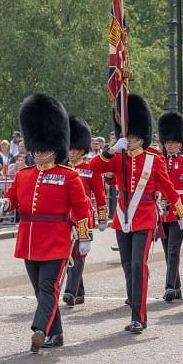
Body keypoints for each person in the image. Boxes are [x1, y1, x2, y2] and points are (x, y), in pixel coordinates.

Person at [0, 94, 92, 352]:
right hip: (29, 240)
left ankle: (40, 330)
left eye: (44, 149)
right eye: (36, 149)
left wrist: (84, 237)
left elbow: (82, 208)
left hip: (58, 240)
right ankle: (56, 334)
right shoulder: (24, 175)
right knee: (41, 292)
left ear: (55, 147)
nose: (39, 154)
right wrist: (4, 204)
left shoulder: (68, 176)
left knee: (47, 288)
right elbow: (11, 199)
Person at [90, 93, 183, 333]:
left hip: (143, 215)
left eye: (133, 136)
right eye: (128, 136)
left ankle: (139, 316)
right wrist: (111, 151)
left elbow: (167, 186)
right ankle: (134, 301)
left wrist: (180, 211)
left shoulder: (153, 158)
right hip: (122, 215)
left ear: (142, 136)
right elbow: (94, 168)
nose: (130, 140)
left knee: (137, 265)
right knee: (126, 265)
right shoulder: (118, 155)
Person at [61, 116, 108, 308]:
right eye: (70, 149)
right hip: (64, 217)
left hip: (83, 218)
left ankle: (70, 292)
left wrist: (102, 217)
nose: (71, 153)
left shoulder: (90, 168)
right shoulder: (62, 168)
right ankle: (79, 291)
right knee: (67, 254)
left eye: (75, 149)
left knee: (79, 254)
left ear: (82, 150)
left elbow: (100, 193)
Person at [157, 110, 183, 302]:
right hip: (163, 211)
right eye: (167, 141)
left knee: (173, 250)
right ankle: (176, 286)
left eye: (173, 141)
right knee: (167, 250)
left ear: (180, 143)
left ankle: (169, 286)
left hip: (180, 210)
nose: (169, 144)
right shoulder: (158, 161)